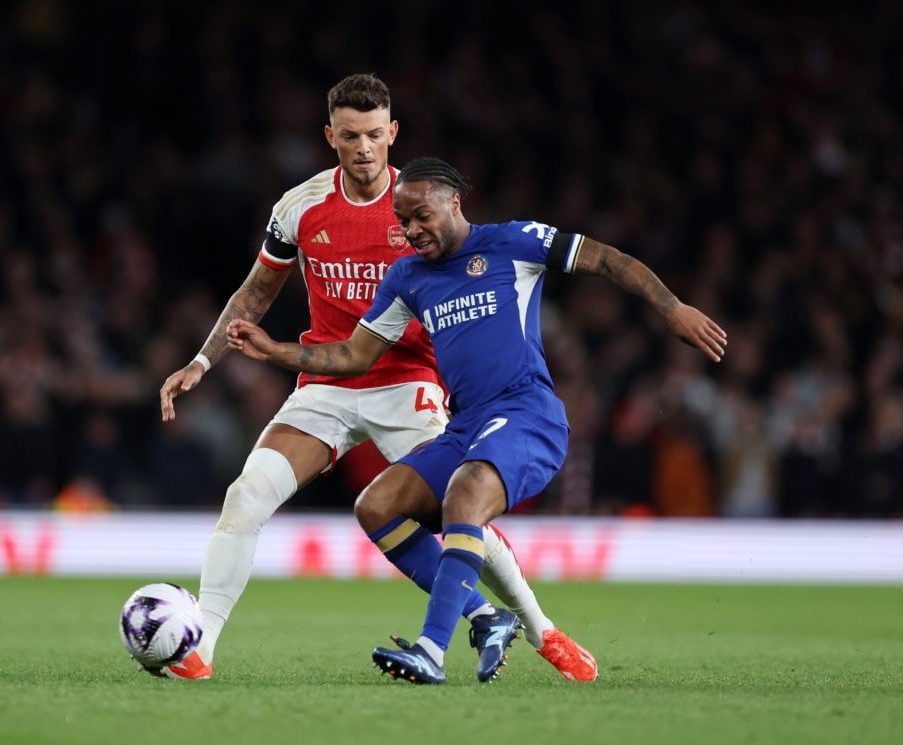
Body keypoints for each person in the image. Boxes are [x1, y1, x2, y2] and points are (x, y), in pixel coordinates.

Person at [159, 75, 597, 683]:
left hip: (409, 382)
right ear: (329, 137)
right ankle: (199, 646)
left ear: (391, 134)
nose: (362, 148)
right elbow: (255, 292)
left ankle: (543, 632)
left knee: (461, 506)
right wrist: (202, 361)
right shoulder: (301, 207)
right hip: (327, 385)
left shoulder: (421, 205)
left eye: (373, 135)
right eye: (348, 136)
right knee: (245, 497)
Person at [226, 156, 728, 684]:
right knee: (377, 506)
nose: (412, 230)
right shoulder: (408, 277)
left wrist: (673, 308)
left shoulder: (513, 242)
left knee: (464, 493)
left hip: (526, 413)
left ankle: (431, 650)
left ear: (453, 203)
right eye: (403, 222)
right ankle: (491, 618)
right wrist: (274, 351)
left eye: (421, 216)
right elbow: (354, 356)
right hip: (467, 425)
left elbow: (607, 260)